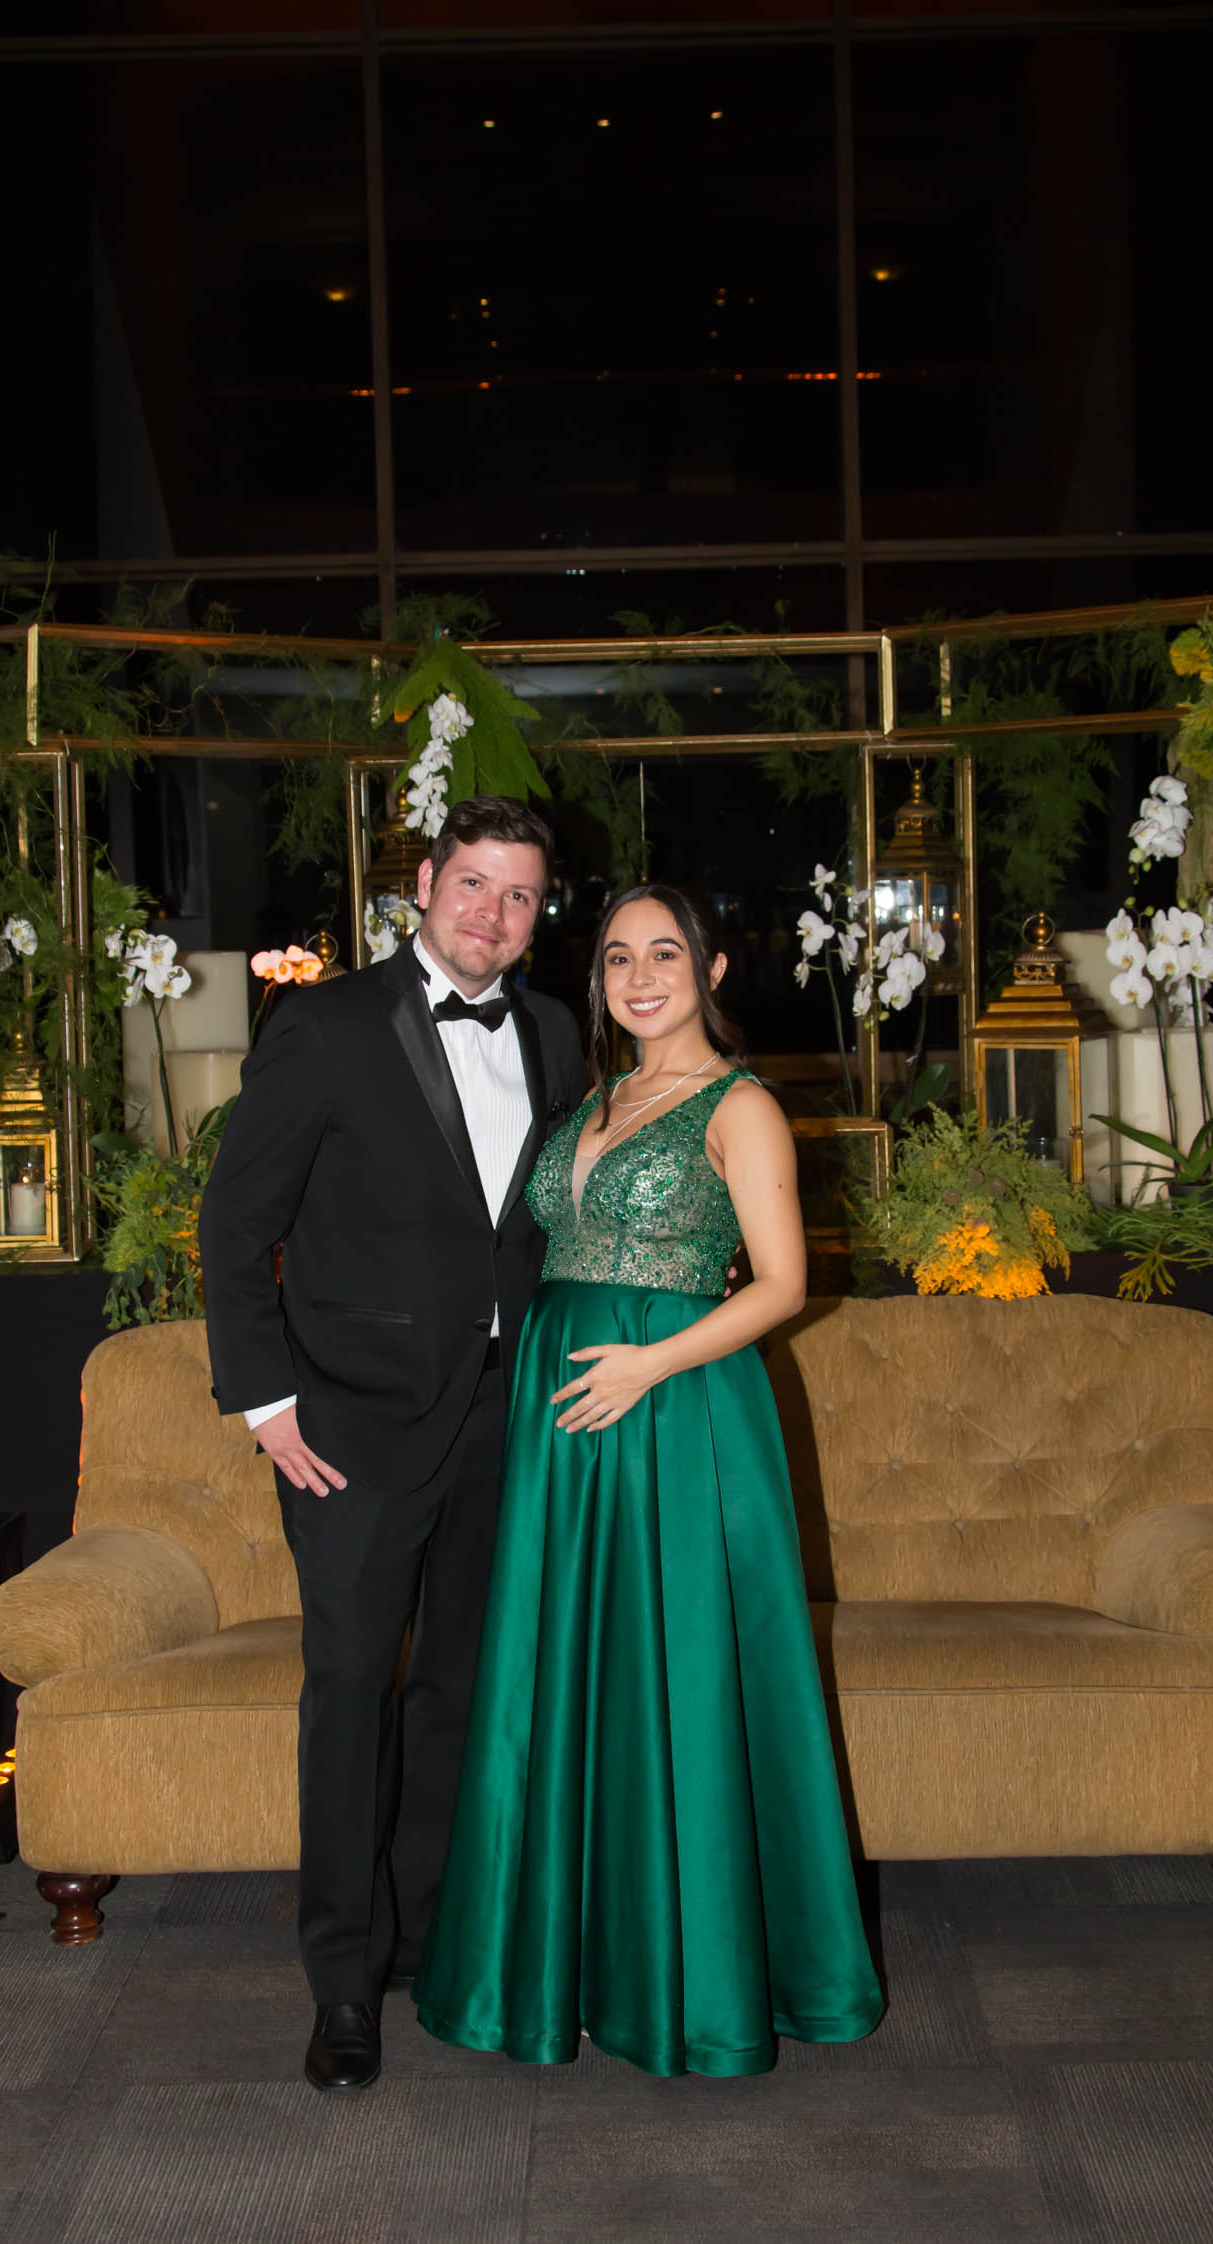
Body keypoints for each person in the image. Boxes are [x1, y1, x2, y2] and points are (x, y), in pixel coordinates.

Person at [414, 883, 882, 2076]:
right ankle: (567, 1968)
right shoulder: (596, 1099)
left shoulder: (743, 1105)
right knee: (568, 1680)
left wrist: (649, 1364)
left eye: (663, 953)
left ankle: (694, 1987)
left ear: (711, 969)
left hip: (673, 1411)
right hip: (565, 1415)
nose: (638, 976)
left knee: (673, 1682)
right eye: (617, 957)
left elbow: (782, 1284)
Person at [198, 796, 586, 2095]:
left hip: (504, 1413)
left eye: (518, 895)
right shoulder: (321, 1025)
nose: (491, 913)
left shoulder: (552, 1032)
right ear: (422, 882)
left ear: (538, 913)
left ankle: (425, 1937)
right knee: (352, 1689)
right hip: (349, 1424)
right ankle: (341, 1980)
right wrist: (266, 1403)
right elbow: (233, 1223)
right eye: (472, 884)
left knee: (460, 1690)